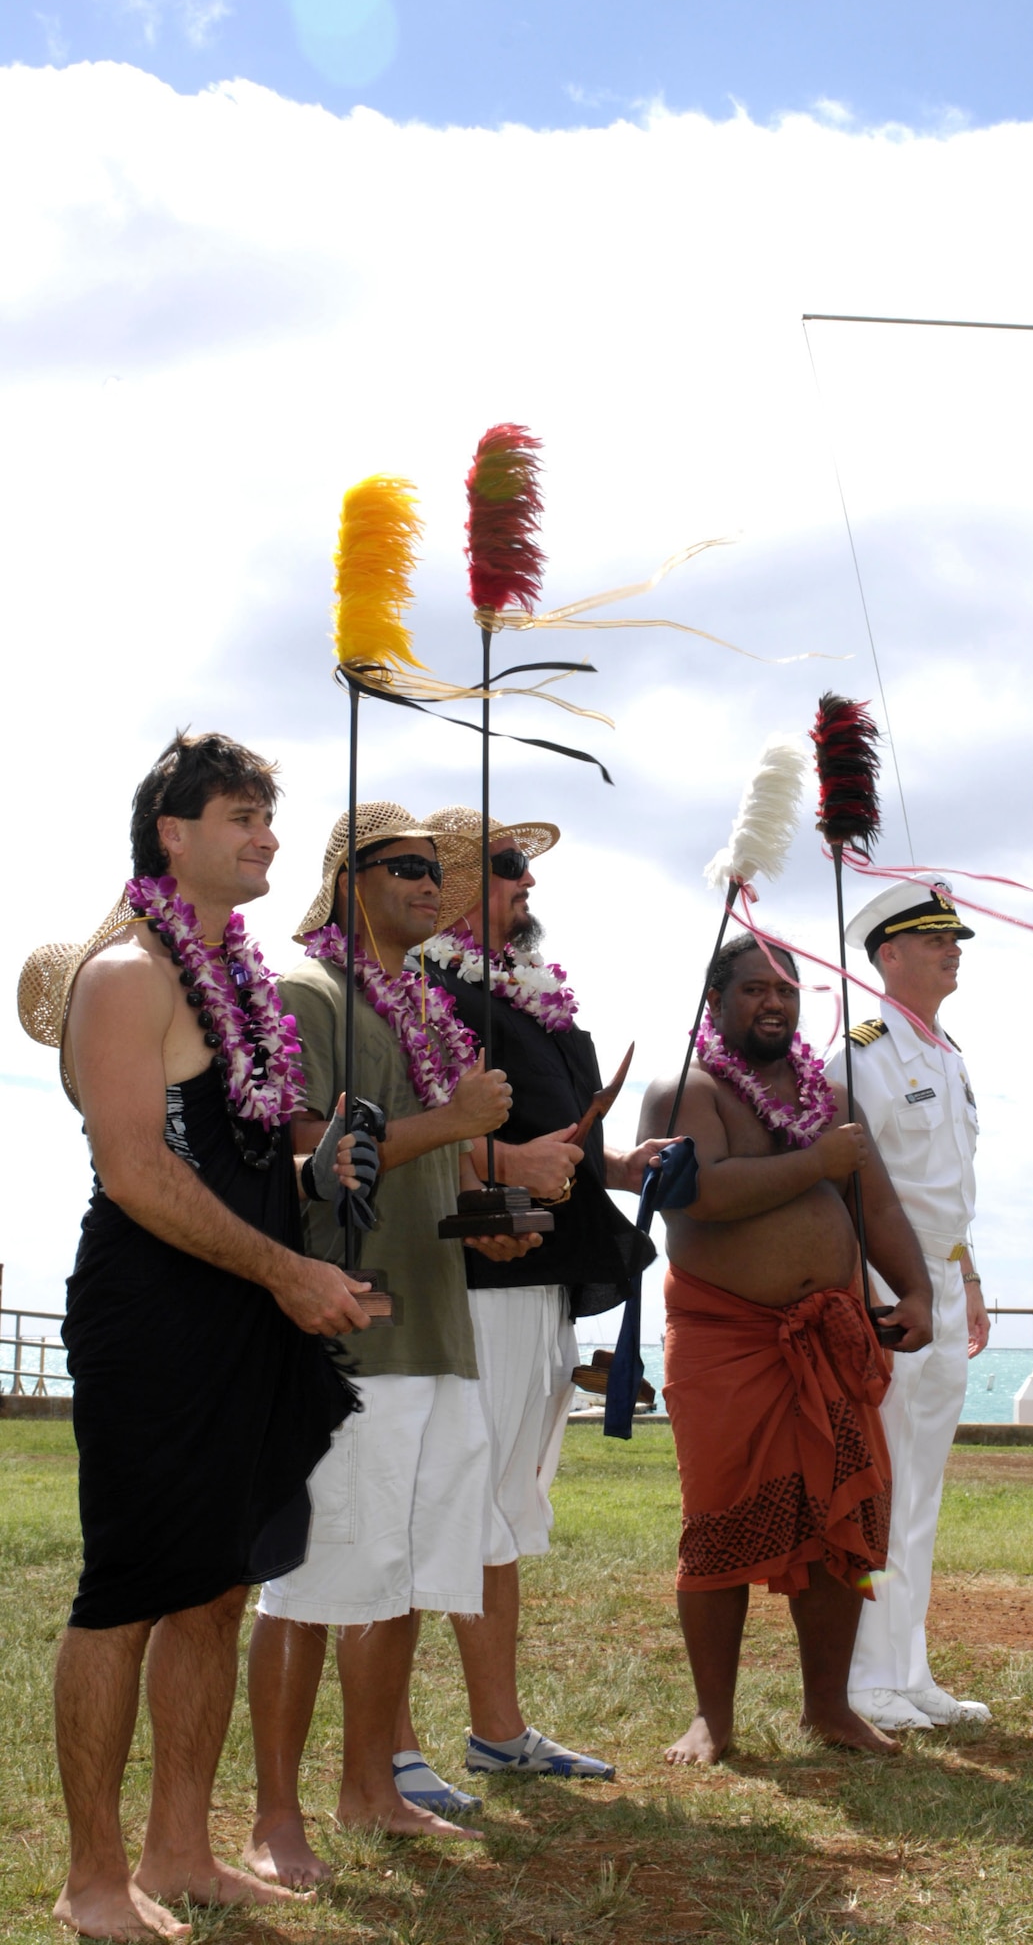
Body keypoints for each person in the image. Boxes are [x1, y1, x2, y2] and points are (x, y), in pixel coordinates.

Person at [16, 731, 371, 1943]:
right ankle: (93, 1876)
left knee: (216, 1588)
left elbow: (242, 1149)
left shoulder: (248, 984)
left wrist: (317, 1170)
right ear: (172, 832)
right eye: (238, 812)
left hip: (248, 1309)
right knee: (125, 1592)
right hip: (155, 1315)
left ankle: (180, 1848)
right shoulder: (126, 974)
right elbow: (133, 1170)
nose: (266, 832)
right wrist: (287, 1271)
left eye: (270, 813)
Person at [242, 802, 542, 1885]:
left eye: (438, 869)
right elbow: (301, 1147)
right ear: (345, 878)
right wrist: (455, 1119)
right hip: (348, 1333)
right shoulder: (304, 992)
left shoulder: (420, 1004)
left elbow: (420, 1165)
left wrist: (487, 1210)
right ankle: (275, 1817)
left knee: (404, 1575)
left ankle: (371, 1788)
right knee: (311, 1583)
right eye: (405, 866)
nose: (431, 882)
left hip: (438, 1323)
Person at [407, 807, 667, 1787]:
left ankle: (498, 1730)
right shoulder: (420, 986)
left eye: (524, 869)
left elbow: (548, 1136)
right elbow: (420, 1120)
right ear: (461, 879)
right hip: (474, 1270)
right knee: (451, 1501)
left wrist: (617, 1164)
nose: (529, 886)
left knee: (504, 1502)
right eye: (511, 867)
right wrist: (507, 1159)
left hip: (541, 1273)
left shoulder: (523, 994)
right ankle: (391, 1748)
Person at [637, 936, 934, 1767]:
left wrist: (915, 1290)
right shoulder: (682, 1091)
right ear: (715, 1001)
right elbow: (697, 1193)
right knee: (718, 1523)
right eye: (755, 989)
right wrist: (817, 1161)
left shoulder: (827, 1095)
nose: (775, 1002)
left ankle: (829, 1708)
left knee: (840, 1517)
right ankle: (713, 1720)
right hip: (727, 1340)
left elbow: (871, 1202)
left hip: (831, 1336)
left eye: (788, 990)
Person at [827, 879, 992, 1732]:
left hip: (941, 1281)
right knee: (880, 1486)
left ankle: (907, 1666)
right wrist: (872, 1288)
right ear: (888, 954)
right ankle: (862, 1677)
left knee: (920, 1487)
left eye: (954, 939)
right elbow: (847, 1183)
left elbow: (944, 1192)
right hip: (890, 1287)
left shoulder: (945, 1052)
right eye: (935, 940)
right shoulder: (863, 1049)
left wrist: (967, 1275)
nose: (952, 949)